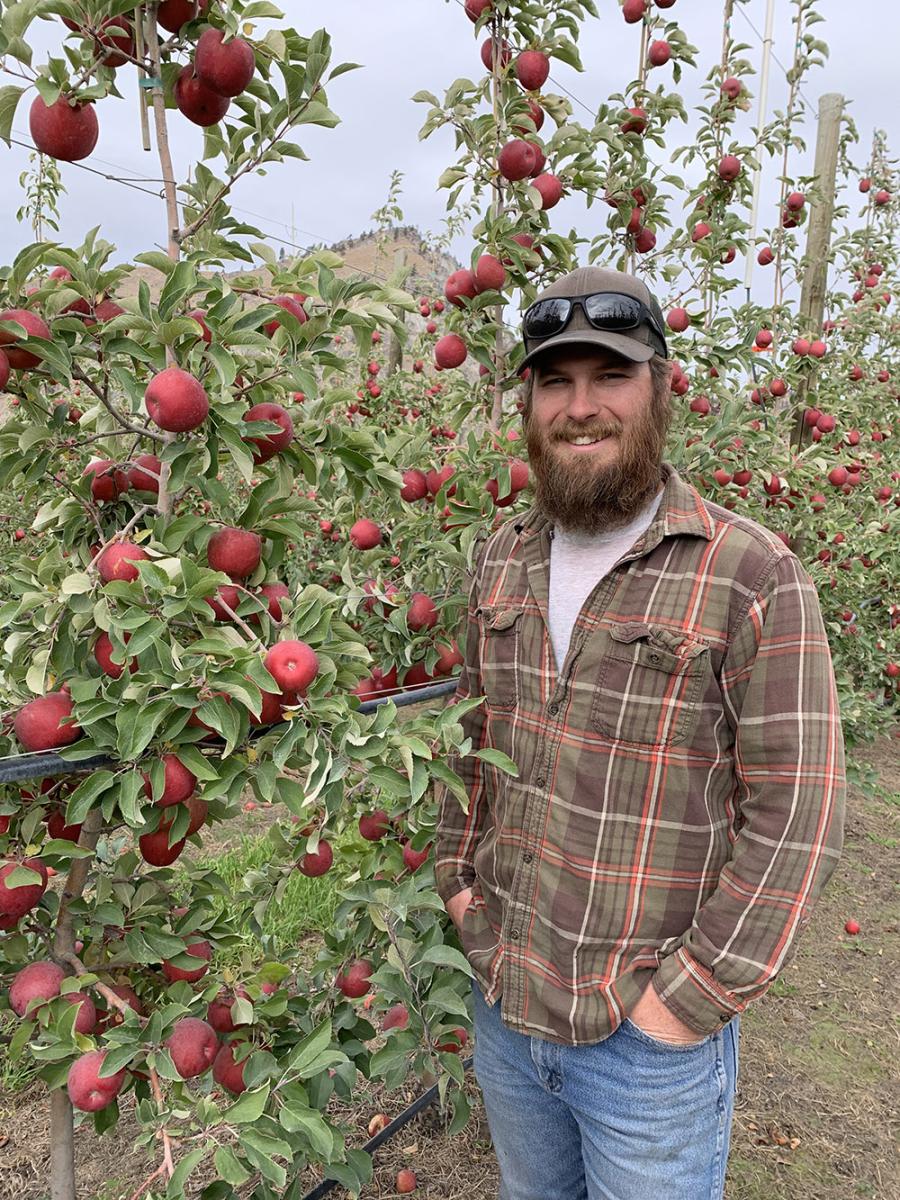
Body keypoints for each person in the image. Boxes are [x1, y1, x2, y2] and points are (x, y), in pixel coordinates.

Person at [433, 265, 847, 1200]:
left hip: (644, 1043)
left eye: (609, 376)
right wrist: (458, 890)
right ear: (530, 401)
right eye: (555, 380)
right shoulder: (500, 557)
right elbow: (470, 745)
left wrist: (684, 1004)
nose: (581, 407)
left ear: (660, 388)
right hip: (506, 1002)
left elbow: (798, 808)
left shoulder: (749, 571)